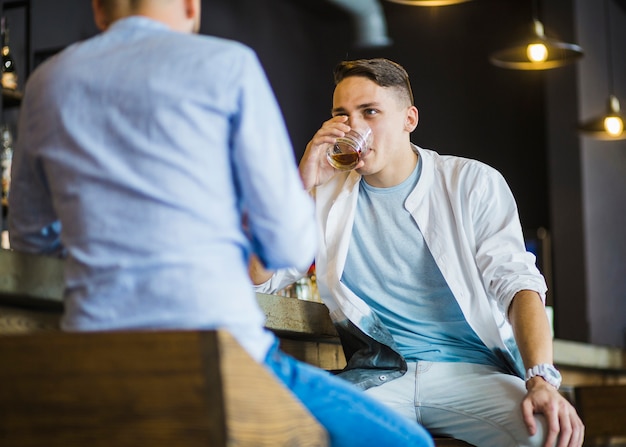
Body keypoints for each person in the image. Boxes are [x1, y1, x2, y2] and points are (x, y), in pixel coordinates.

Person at [8, 3, 434, 446]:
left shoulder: (47, 82)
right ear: (191, 6)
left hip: (93, 354)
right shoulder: (228, 66)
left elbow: (30, 238)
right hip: (222, 352)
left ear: (99, 10)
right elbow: (287, 245)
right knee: (409, 442)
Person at [252, 58, 585, 447]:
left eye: (370, 112)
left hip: (471, 374)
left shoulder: (471, 182)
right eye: (341, 115)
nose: (353, 127)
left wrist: (541, 379)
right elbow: (262, 277)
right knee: (288, 430)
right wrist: (303, 182)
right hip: (379, 375)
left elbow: (519, 285)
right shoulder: (324, 193)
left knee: (547, 433)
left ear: (409, 119)